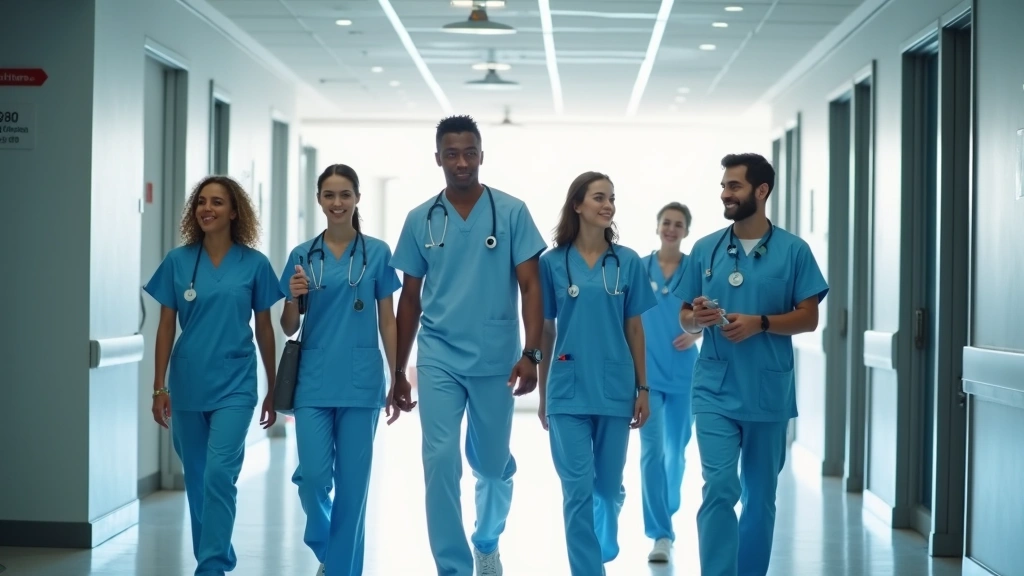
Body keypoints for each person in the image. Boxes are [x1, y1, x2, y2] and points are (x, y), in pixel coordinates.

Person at [388, 115, 547, 576]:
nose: (461, 162)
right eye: (452, 154)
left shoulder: (511, 212)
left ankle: (487, 539)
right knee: (439, 460)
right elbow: (410, 300)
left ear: (482, 155)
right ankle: (452, 567)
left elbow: (532, 287)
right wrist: (398, 371)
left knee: (493, 467)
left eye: (470, 152)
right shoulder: (421, 219)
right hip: (438, 356)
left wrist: (531, 354)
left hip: (497, 358)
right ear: (437, 158)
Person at [674, 153, 828, 576]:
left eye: (734, 186)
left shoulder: (794, 251)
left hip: (767, 392)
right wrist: (697, 319)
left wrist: (761, 323)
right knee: (720, 487)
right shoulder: (706, 249)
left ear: (761, 191)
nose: (725, 193)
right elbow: (685, 315)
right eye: (724, 186)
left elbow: (809, 317)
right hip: (714, 389)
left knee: (760, 496)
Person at [145, 175, 282, 576]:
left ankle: (212, 566)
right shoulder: (178, 261)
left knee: (221, 474)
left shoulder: (254, 264)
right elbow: (166, 326)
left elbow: (265, 328)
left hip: (237, 382)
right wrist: (159, 386)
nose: (207, 208)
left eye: (217, 202)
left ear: (234, 211)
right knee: (200, 476)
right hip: (188, 380)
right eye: (202, 202)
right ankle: (215, 554)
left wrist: (273, 387)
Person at [278, 164, 402, 576]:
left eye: (344, 194)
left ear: (357, 198)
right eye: (329, 195)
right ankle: (330, 548)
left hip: (362, 380)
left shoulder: (378, 253)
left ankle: (339, 569)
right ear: (319, 200)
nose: (337, 203)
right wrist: (292, 299)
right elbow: (288, 326)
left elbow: (388, 319)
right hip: (312, 380)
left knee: (353, 489)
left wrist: (397, 371)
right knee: (312, 478)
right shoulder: (302, 256)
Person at [537, 171, 655, 576]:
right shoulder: (551, 263)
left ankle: (606, 532)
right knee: (576, 492)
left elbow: (635, 328)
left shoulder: (628, 262)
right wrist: (543, 395)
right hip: (567, 390)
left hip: (615, 387)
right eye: (599, 197)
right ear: (578, 204)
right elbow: (547, 329)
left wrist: (643, 387)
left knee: (605, 488)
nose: (608, 205)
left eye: (612, 198)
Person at [638, 202, 700, 563]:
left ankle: (666, 507)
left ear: (686, 231)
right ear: (657, 226)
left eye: (678, 224)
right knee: (651, 453)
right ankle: (661, 532)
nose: (671, 229)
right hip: (647, 375)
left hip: (683, 374)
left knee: (676, 453)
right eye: (666, 222)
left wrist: (696, 335)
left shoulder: (695, 269)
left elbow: (711, 311)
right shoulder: (640, 267)